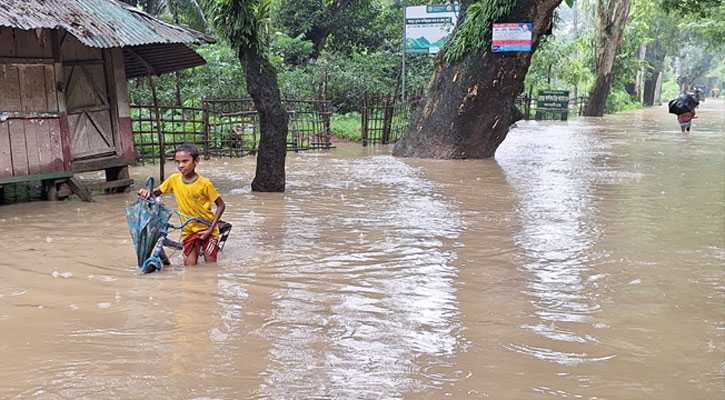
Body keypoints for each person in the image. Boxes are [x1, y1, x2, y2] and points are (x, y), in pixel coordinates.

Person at [138, 143, 226, 265]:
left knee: (210, 265)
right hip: (188, 231)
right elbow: (156, 193)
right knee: (189, 266)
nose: (181, 165)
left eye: (185, 161)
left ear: (196, 161)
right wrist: (146, 193)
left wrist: (210, 230)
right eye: (178, 162)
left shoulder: (205, 184)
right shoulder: (174, 179)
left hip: (207, 230)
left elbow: (221, 205)